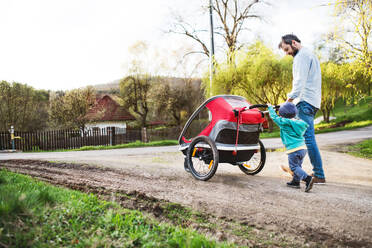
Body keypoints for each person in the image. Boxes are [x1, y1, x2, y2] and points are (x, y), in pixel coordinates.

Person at [278, 34, 326, 184]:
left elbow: (299, 82)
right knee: (306, 138)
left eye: (287, 49)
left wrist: (289, 100)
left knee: (306, 138)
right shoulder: (310, 54)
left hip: (304, 101)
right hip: (312, 101)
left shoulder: (301, 57)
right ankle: (305, 170)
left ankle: (315, 173)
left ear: (294, 43)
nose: (287, 53)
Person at [268, 102, 314, 192]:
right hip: (303, 148)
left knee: (293, 167)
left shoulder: (285, 122)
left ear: (282, 115)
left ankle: (307, 179)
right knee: (298, 166)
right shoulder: (297, 122)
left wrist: (270, 108)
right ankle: (296, 181)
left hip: (294, 149)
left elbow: (274, 117)